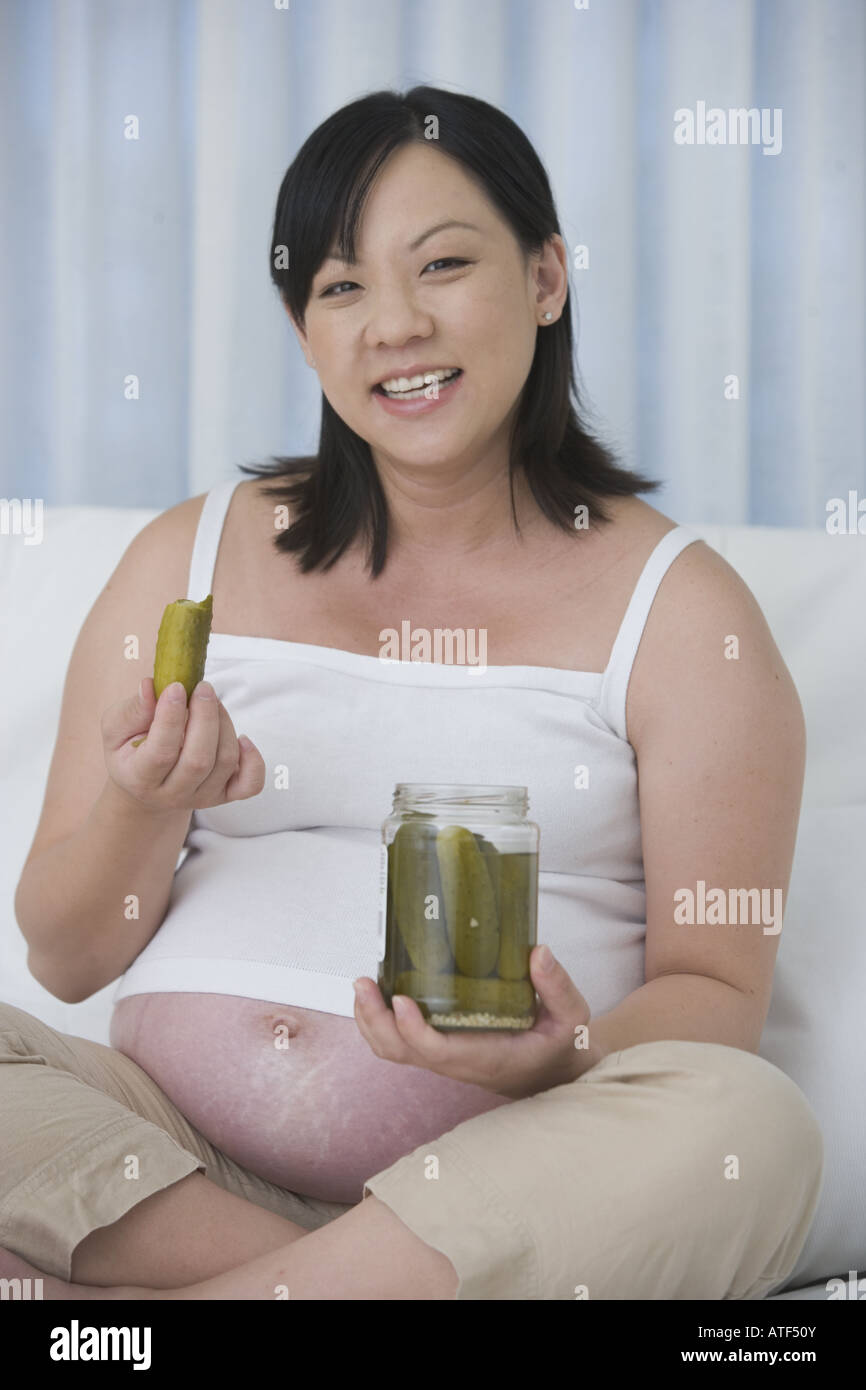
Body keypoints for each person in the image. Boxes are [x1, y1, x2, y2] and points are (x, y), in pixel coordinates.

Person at [2, 87, 822, 1301]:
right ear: (303, 329)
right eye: (340, 288)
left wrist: (558, 1059)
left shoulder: (684, 611)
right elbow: (64, 958)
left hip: (503, 1176)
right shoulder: (191, 555)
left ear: (546, 278)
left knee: (750, 1127)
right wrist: (143, 804)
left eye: (440, 264)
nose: (393, 323)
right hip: (163, 1162)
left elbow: (714, 998)